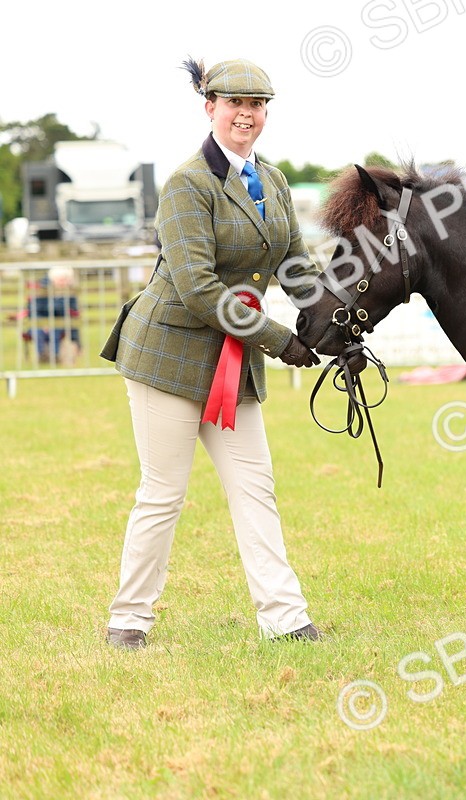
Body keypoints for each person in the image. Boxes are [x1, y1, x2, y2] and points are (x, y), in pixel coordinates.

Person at [100, 57, 327, 649]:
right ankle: (129, 620)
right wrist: (282, 340)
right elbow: (200, 289)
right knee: (163, 493)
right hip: (167, 358)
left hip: (233, 361)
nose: (247, 115)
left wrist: (336, 321)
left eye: (258, 105)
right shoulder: (186, 184)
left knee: (256, 487)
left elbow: (296, 266)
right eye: (236, 104)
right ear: (210, 107)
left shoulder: (273, 181)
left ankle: (285, 618)